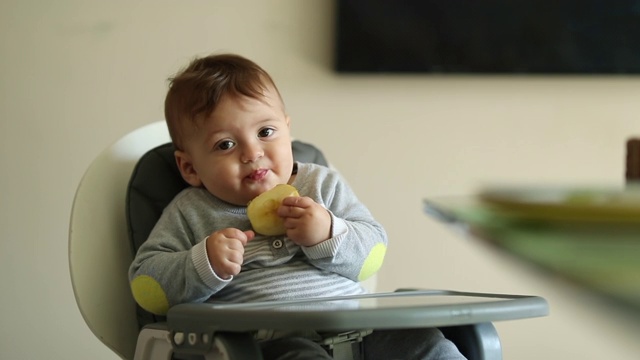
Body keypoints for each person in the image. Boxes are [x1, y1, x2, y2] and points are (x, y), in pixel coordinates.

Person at [129, 53, 466, 360]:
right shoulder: (191, 211)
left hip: (361, 331)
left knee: (430, 346)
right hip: (265, 345)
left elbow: (373, 253)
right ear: (189, 168)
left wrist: (329, 233)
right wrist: (204, 263)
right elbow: (148, 287)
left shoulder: (321, 185)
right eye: (225, 144)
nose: (252, 152)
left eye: (266, 131)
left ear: (287, 132)